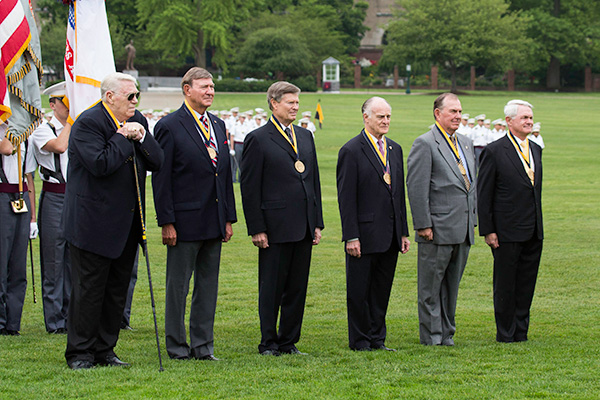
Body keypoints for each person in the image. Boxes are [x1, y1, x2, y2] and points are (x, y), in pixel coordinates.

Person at [62, 72, 164, 370]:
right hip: (92, 223)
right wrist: (122, 137)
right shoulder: (88, 123)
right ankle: (80, 352)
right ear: (109, 96)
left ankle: (105, 350)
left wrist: (141, 136)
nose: (135, 101)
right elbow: (100, 164)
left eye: (137, 96)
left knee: (116, 291)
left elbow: (157, 162)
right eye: (130, 96)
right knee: (89, 291)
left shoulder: (138, 121)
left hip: (128, 223)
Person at [152, 67, 236, 361]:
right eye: (204, 87)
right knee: (178, 288)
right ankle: (176, 346)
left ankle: (203, 346)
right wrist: (167, 221)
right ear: (187, 89)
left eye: (212, 87)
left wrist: (228, 218)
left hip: (213, 220)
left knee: (207, 287)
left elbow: (224, 175)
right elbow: (161, 179)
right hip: (184, 222)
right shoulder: (170, 126)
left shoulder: (218, 124)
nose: (210, 91)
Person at [240, 81, 324, 356]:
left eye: (297, 103)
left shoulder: (305, 135)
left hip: (303, 224)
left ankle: (288, 341)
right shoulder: (258, 138)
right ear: (274, 104)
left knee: (297, 287)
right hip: (274, 227)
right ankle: (269, 342)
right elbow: (250, 187)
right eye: (290, 102)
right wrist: (257, 228)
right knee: (272, 287)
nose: (295, 107)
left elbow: (314, 182)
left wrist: (317, 222)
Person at [336, 97, 410, 352]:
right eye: (380, 117)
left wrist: (403, 232)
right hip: (364, 235)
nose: (386, 121)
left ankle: (377, 339)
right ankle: (360, 340)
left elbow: (399, 194)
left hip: (390, 234)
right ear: (366, 118)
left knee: (381, 290)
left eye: (388, 116)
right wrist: (351, 236)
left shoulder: (395, 149)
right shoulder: (351, 150)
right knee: (359, 291)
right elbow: (346, 199)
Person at [406, 93, 477, 346]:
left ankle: (447, 334)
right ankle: (432, 336)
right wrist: (423, 224)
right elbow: (416, 187)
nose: (458, 116)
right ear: (438, 114)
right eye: (452, 112)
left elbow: (472, 186)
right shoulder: (425, 144)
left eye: (460, 112)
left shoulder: (466, 143)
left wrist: (474, 219)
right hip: (436, 229)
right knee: (431, 289)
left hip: (463, 228)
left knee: (451, 288)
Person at [477, 99, 543, 343]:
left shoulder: (536, 149)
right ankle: (505, 333)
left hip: (533, 229)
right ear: (509, 121)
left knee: (526, 283)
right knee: (505, 284)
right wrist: (489, 230)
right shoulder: (494, 150)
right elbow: (484, 194)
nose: (529, 121)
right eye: (524, 118)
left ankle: (521, 331)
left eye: (530, 118)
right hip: (505, 231)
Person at [30, 82, 71, 334]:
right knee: (54, 261)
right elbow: (60, 147)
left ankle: (70, 314)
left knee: (73, 261)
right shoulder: (42, 131)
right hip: (54, 197)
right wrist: (71, 122)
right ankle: (55, 319)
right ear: (53, 104)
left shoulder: (75, 127)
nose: (69, 108)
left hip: (76, 198)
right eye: (65, 103)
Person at [0, 124, 37, 336]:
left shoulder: (24, 136)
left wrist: (32, 217)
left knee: (17, 265)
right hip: (2, 195)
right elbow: (6, 148)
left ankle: (13, 322)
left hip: (20, 198)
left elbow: (28, 178)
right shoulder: (10, 135)